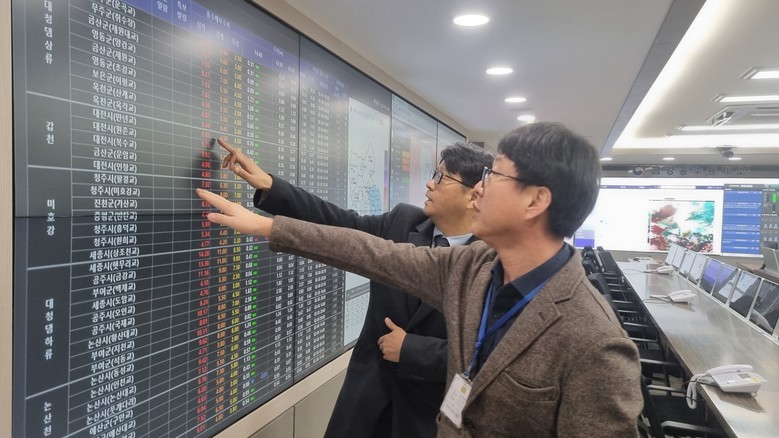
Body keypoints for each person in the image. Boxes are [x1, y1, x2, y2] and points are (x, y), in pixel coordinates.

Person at [197, 122, 643, 437]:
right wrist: (270, 225)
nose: (481, 189)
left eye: (494, 176)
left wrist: (414, 350)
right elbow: (369, 250)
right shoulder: (474, 267)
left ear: (535, 201)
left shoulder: (595, 342)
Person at [215, 138, 494, 437]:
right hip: (366, 399)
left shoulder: (489, 263)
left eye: (442, 177)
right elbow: (338, 224)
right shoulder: (402, 221)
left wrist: (412, 350)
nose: (430, 183)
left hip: (427, 416)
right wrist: (271, 186)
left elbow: (489, 354)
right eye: (433, 173)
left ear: (473, 194)